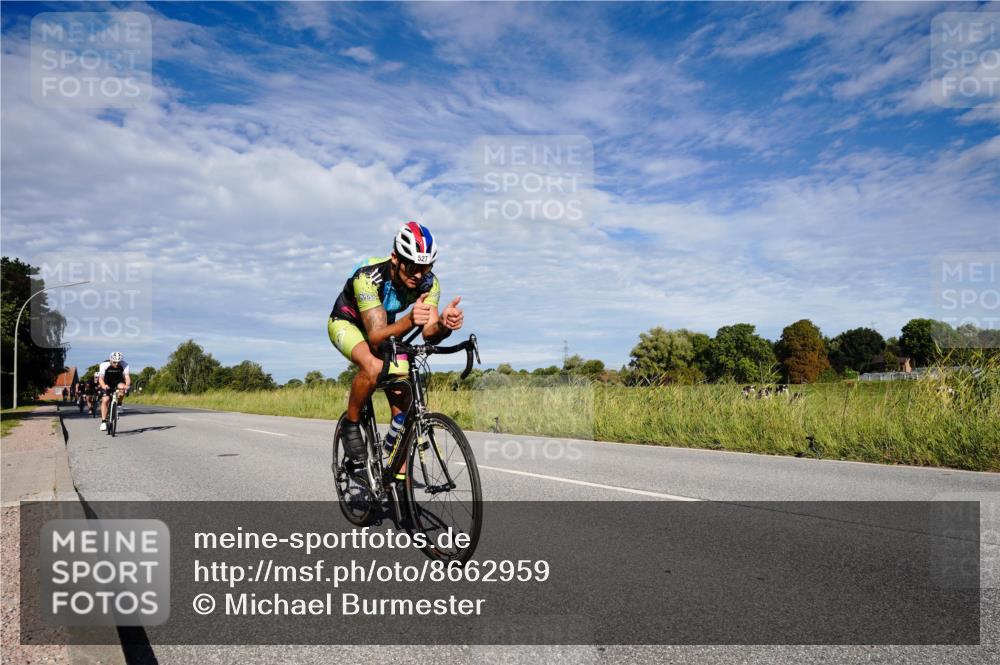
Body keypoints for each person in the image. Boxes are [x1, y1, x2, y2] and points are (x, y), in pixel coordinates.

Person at [328, 222, 464, 469]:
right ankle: (351, 423)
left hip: (387, 326)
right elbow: (376, 338)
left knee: (405, 400)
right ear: (395, 258)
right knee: (372, 367)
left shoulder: (429, 284)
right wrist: (409, 319)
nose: (419, 274)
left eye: (426, 267)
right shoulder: (368, 277)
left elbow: (429, 334)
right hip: (348, 323)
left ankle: (397, 474)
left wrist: (445, 324)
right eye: (412, 266)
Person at [97, 351, 131, 431]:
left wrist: (127, 385)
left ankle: (119, 405)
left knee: (122, 389)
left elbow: (127, 377)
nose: (116, 364)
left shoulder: (125, 364)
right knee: (106, 399)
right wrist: (103, 386)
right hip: (107, 383)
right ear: (110, 360)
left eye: (118, 362)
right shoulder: (104, 365)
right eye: (114, 362)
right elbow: (101, 379)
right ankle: (103, 422)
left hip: (118, 381)